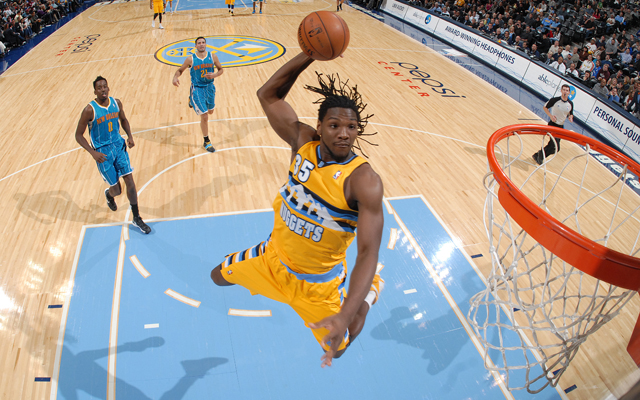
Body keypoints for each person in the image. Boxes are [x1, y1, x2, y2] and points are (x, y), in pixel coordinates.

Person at [210, 52, 385, 368]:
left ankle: (369, 293)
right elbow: (268, 95)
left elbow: (368, 253)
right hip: (272, 259)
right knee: (217, 277)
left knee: (338, 347)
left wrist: (346, 314)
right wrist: (308, 54)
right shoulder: (302, 139)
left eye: (351, 127)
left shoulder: (363, 181)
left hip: (317, 286)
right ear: (319, 126)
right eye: (334, 125)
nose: (343, 134)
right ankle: (250, 273)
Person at [75, 76, 152, 234]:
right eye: (99, 88)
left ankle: (136, 217)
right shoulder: (89, 110)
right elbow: (78, 135)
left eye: (105, 87)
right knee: (117, 190)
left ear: (108, 88)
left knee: (130, 180)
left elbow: (123, 120)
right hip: (103, 153)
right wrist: (92, 152)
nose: (103, 89)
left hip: (119, 146)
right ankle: (109, 194)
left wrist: (129, 136)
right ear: (95, 91)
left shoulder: (116, 103)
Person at [172, 37, 224, 152]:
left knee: (211, 111)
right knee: (205, 116)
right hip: (197, 89)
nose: (201, 45)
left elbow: (221, 70)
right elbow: (180, 70)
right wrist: (175, 77)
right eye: (199, 43)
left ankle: (191, 100)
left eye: (203, 43)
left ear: (206, 45)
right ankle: (206, 141)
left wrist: (214, 75)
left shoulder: (212, 56)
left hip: (210, 87)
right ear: (195, 46)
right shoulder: (190, 59)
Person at [532, 84, 574, 165]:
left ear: (569, 92)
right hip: (553, 125)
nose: (565, 91)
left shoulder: (570, 103)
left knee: (553, 146)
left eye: (567, 90)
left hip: (561, 127)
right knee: (555, 146)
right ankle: (540, 155)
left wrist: (570, 117)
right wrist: (551, 116)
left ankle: (538, 155)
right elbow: (545, 107)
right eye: (564, 90)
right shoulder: (555, 100)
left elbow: (570, 113)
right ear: (561, 91)